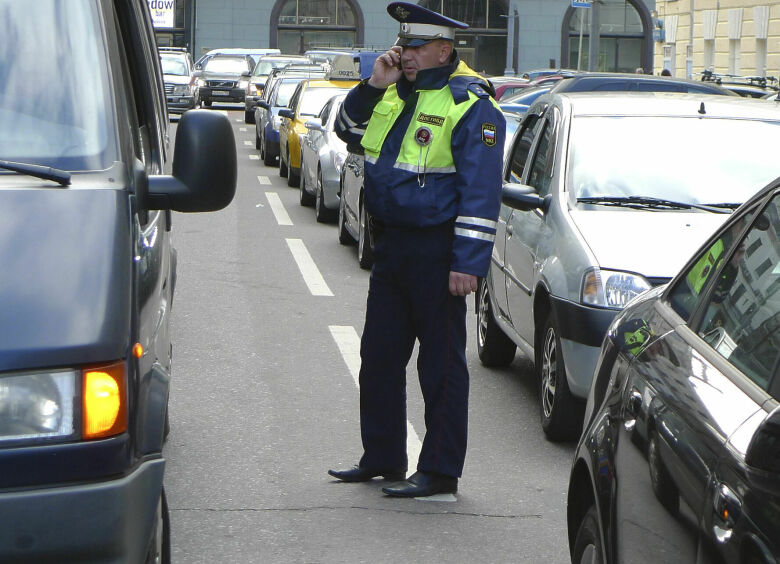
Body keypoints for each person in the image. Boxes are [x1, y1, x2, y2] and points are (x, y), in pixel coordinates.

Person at [328, 1, 505, 497]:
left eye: (416, 46)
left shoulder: (472, 105)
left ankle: (439, 470)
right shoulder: (395, 93)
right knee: (379, 356)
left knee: (441, 367)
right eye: (403, 44)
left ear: (444, 49)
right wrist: (372, 86)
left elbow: (480, 193)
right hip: (393, 246)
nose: (404, 54)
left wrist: (468, 264)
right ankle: (382, 457)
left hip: (439, 252)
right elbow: (350, 133)